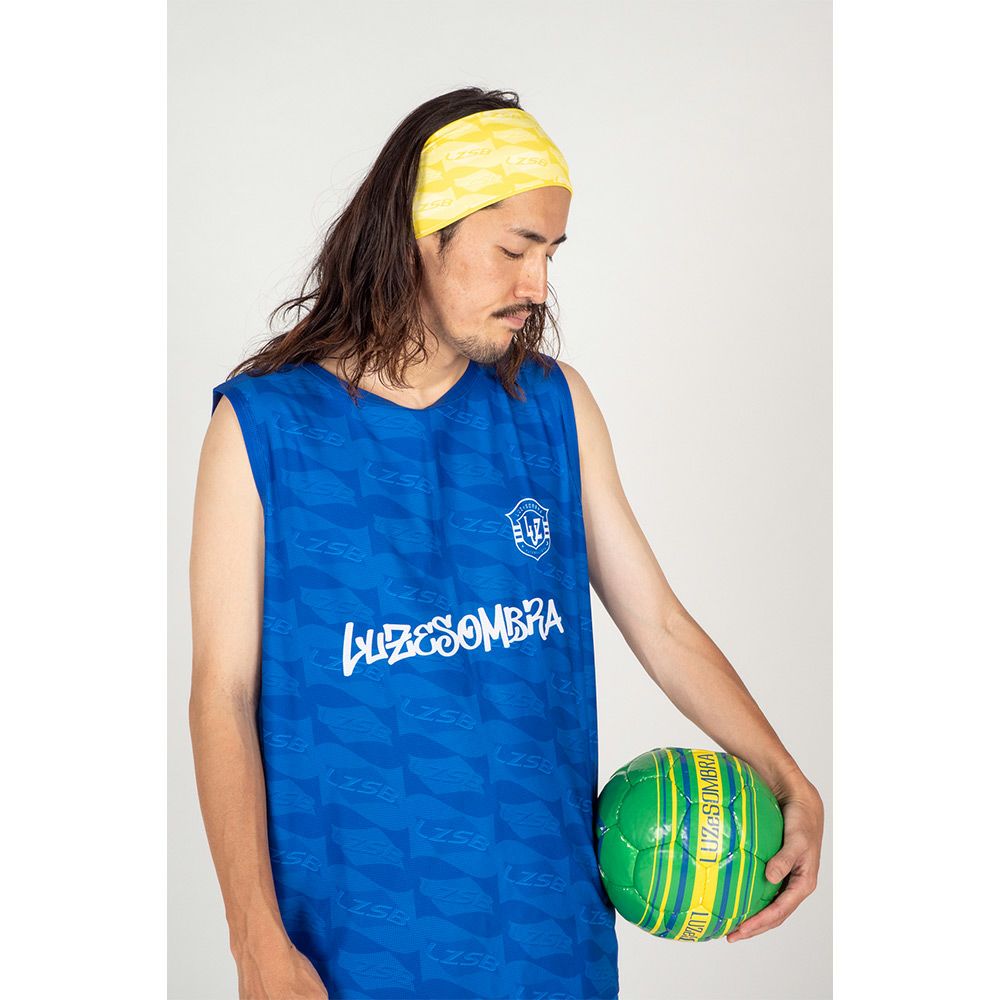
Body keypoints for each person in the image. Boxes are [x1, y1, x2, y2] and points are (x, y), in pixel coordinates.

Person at [189, 87, 823, 1000]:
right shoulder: (263, 429)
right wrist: (255, 943)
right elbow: (222, 696)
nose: (538, 287)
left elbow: (660, 625)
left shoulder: (554, 407)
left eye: (551, 254)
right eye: (515, 250)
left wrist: (786, 776)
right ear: (424, 231)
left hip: (549, 946)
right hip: (344, 956)